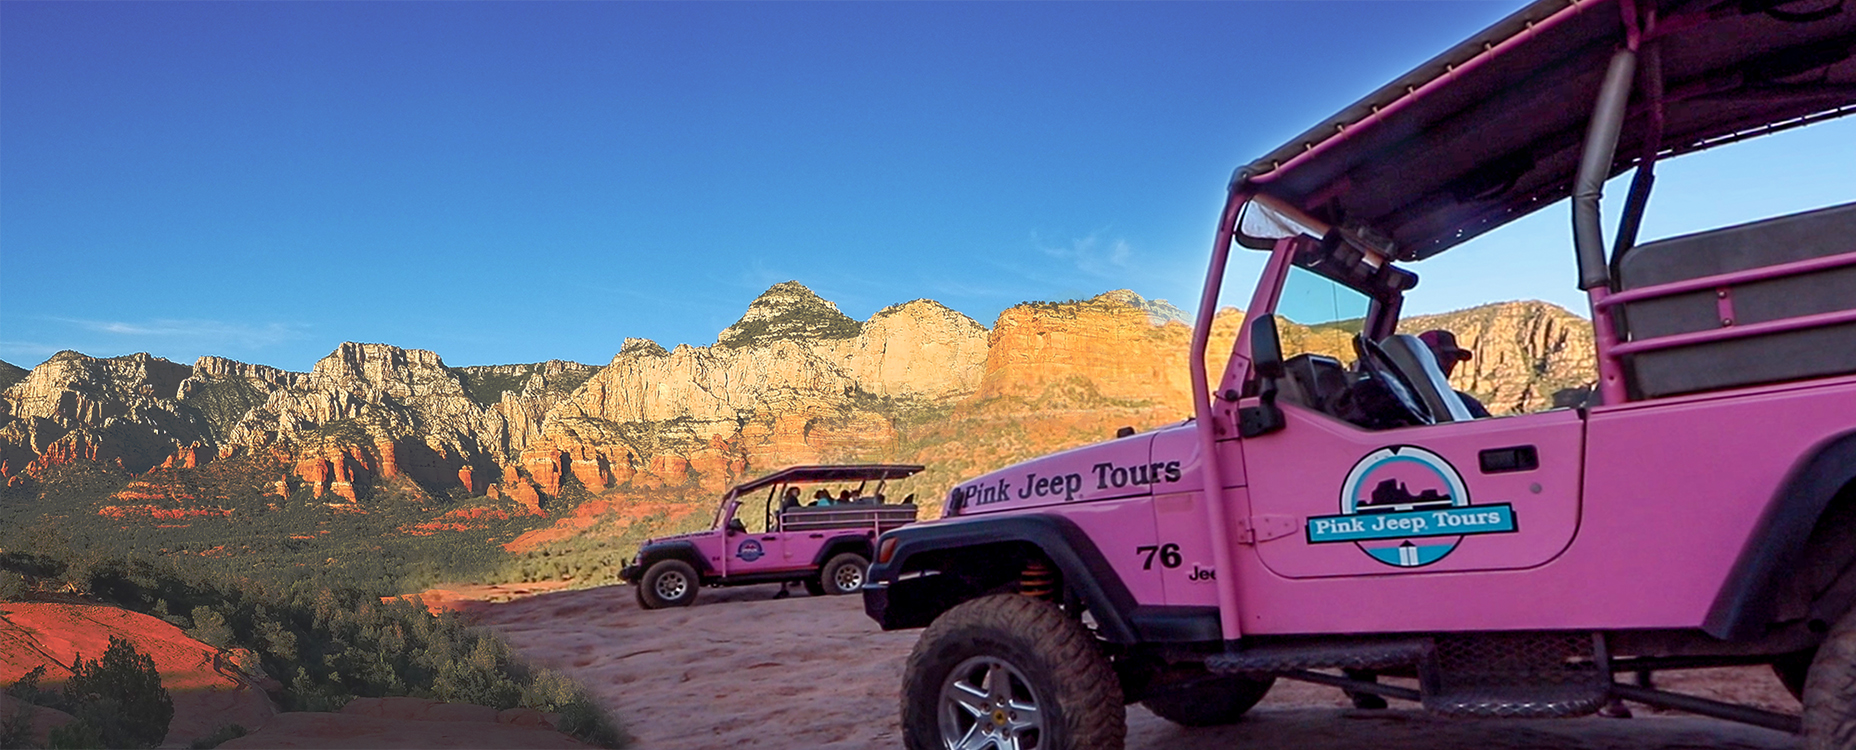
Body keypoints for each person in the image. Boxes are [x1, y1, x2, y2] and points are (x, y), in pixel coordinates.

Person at [1417, 329, 1492, 418]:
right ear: (1423, 358)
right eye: (1445, 356)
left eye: (1454, 357)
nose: (1451, 362)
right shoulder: (1402, 402)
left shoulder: (1466, 404)